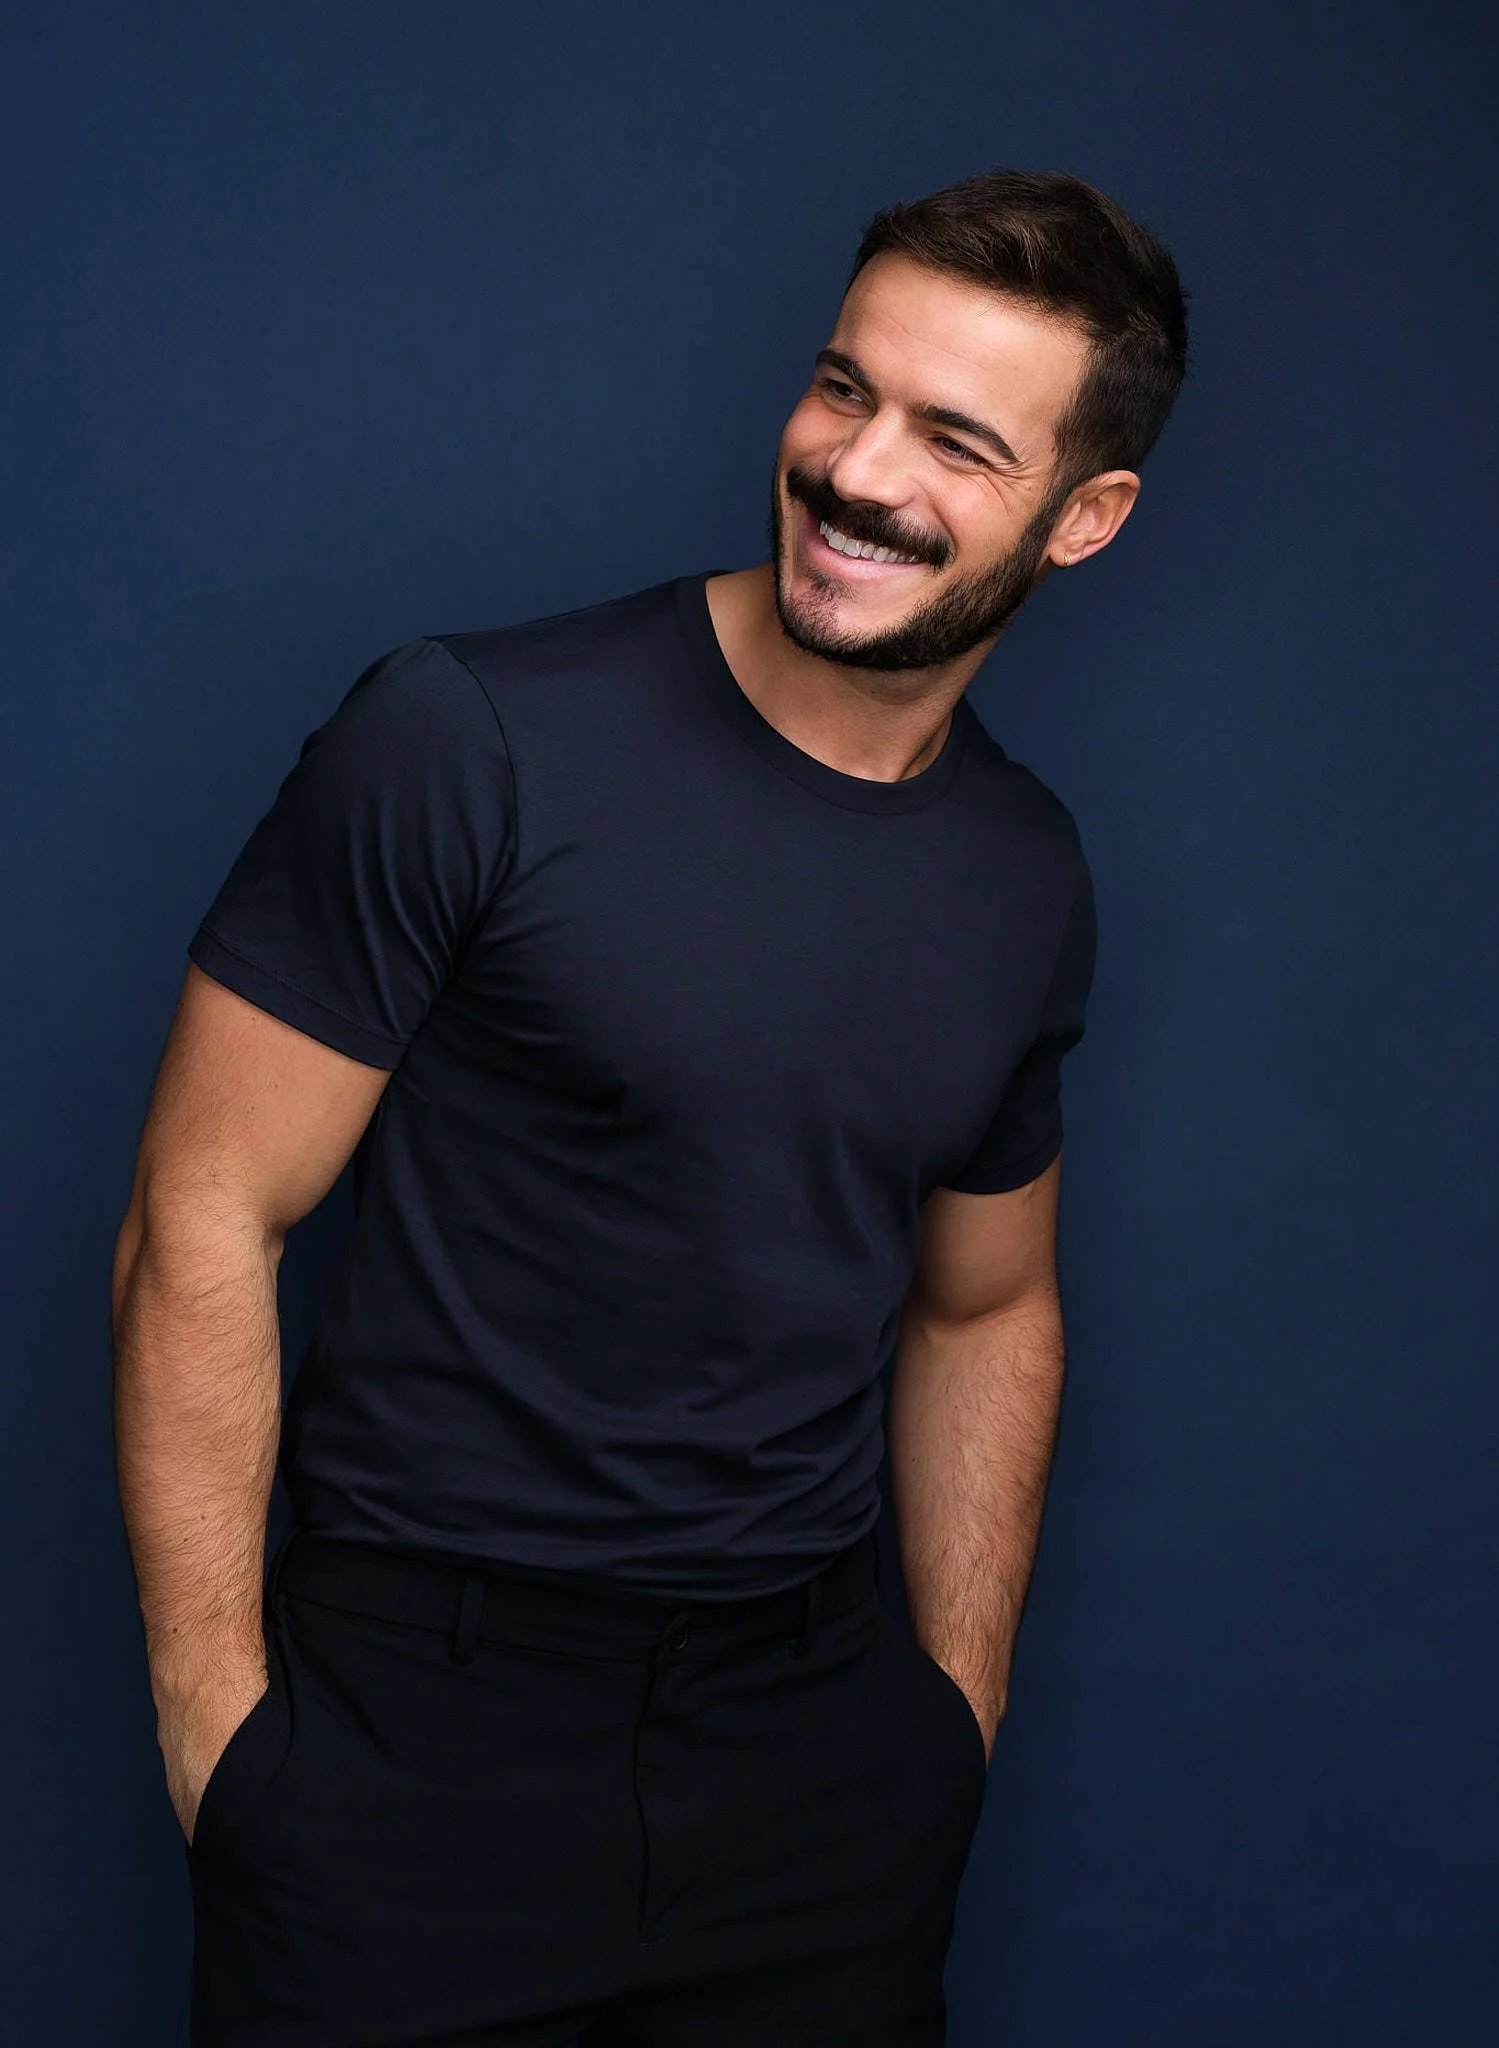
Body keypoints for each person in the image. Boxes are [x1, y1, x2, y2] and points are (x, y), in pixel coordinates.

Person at [112, 167, 1187, 2046]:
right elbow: (205, 1209)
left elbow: (986, 1301)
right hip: (412, 1743)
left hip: (815, 1772)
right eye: (845, 390)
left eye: (955, 439)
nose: (858, 472)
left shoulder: (1025, 876)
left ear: (1084, 519)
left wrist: (950, 1717)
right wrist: (220, 1730)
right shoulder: (467, 737)